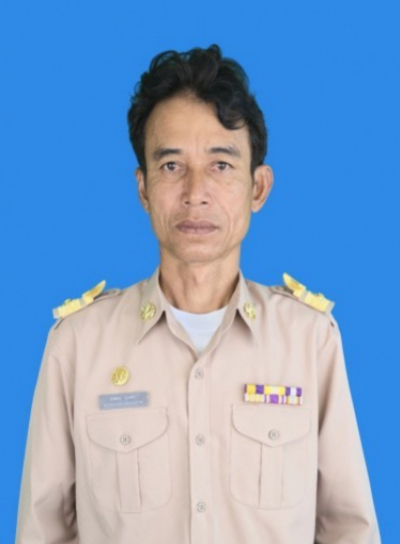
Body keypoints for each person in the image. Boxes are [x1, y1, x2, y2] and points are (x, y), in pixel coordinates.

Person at [15, 43, 381, 544]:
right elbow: (43, 531)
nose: (195, 193)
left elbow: (348, 529)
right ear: (143, 189)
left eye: (221, 165)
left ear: (258, 187)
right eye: (171, 166)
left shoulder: (310, 340)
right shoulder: (77, 345)